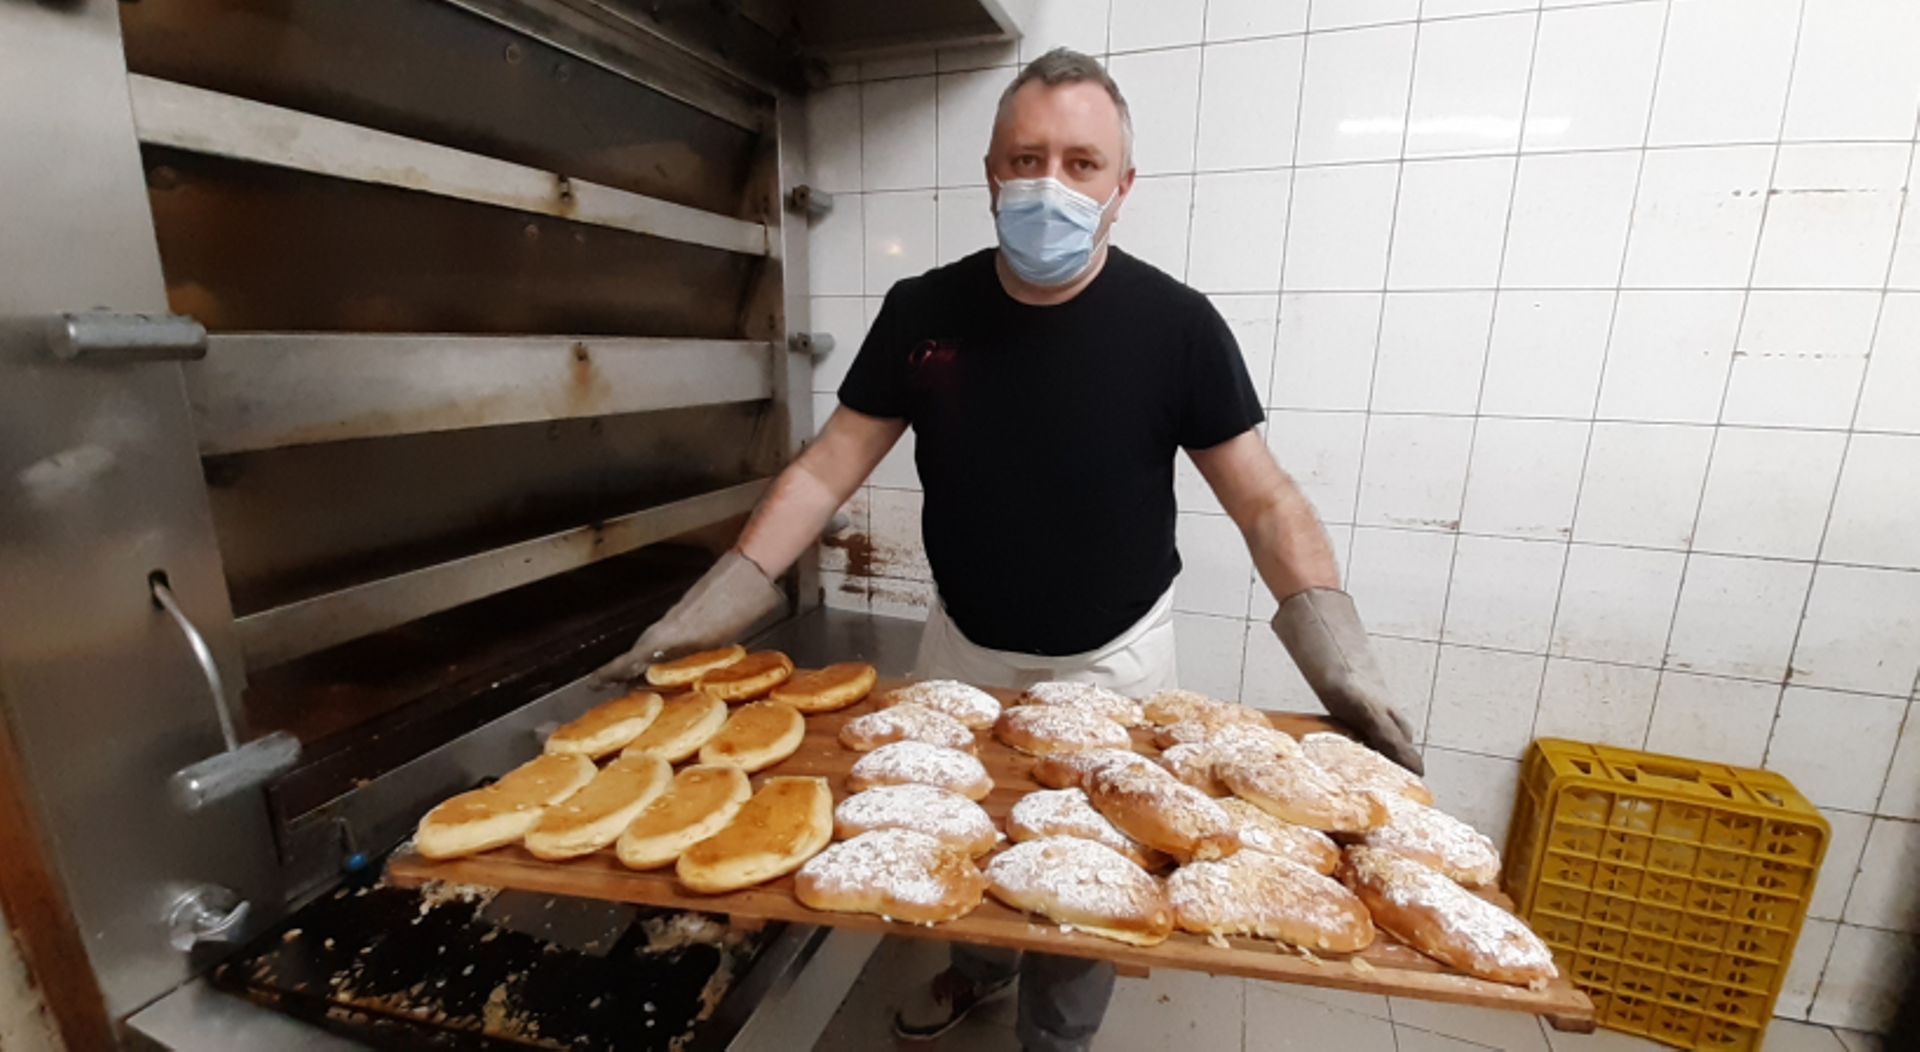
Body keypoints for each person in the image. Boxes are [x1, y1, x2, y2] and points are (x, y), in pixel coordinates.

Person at [593, 47, 1421, 1052]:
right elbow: (823, 472)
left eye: (1080, 163)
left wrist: (1340, 660)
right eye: (1025, 159)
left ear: (1123, 186)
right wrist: (707, 609)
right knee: (964, 832)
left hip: (1114, 658)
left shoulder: (1178, 327)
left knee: (1090, 869)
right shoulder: (922, 314)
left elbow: (1265, 500)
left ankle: (1055, 1040)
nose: (1049, 186)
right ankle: (972, 970)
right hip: (964, 647)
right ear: (989, 173)